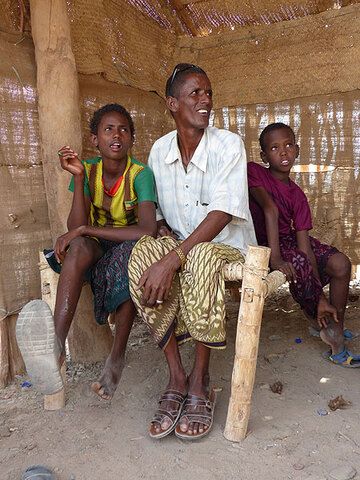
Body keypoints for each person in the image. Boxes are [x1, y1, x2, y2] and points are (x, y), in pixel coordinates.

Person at [128, 63, 256, 440]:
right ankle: (176, 375)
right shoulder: (159, 150)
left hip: (226, 247)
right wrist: (163, 244)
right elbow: (160, 216)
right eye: (194, 94)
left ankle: (201, 381)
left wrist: (175, 257)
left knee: (198, 256)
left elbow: (222, 213)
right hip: (183, 244)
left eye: (208, 93)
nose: (205, 100)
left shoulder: (227, 144)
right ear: (172, 103)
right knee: (141, 254)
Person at [17, 103, 157, 399]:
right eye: (108, 129)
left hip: (131, 244)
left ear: (131, 138)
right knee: (78, 248)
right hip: (94, 244)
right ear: (95, 139)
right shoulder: (88, 170)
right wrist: (79, 178)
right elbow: (75, 226)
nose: (116, 135)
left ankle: (116, 357)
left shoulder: (140, 174)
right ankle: (54, 348)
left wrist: (85, 230)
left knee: (129, 262)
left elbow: (147, 230)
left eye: (124, 129)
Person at [247, 122, 360, 367]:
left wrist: (316, 287)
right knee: (297, 261)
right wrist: (275, 258)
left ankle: (334, 322)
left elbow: (303, 244)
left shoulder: (297, 195)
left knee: (340, 263)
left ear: (297, 150)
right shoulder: (255, 172)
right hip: (261, 243)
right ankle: (333, 339)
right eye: (275, 148)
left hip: (289, 242)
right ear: (264, 155)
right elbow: (270, 211)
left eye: (288, 145)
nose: (283, 152)